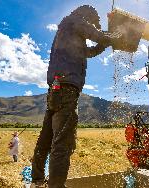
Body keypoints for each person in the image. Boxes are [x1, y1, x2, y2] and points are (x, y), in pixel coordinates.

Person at [31, 5, 121, 188]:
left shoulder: (69, 33)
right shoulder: (74, 21)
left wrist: (107, 41)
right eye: (92, 22)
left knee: (46, 138)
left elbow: (92, 51)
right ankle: (56, 185)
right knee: (62, 143)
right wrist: (117, 33)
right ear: (87, 17)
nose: (92, 25)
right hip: (66, 90)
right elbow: (100, 36)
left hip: (56, 90)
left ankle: (37, 181)